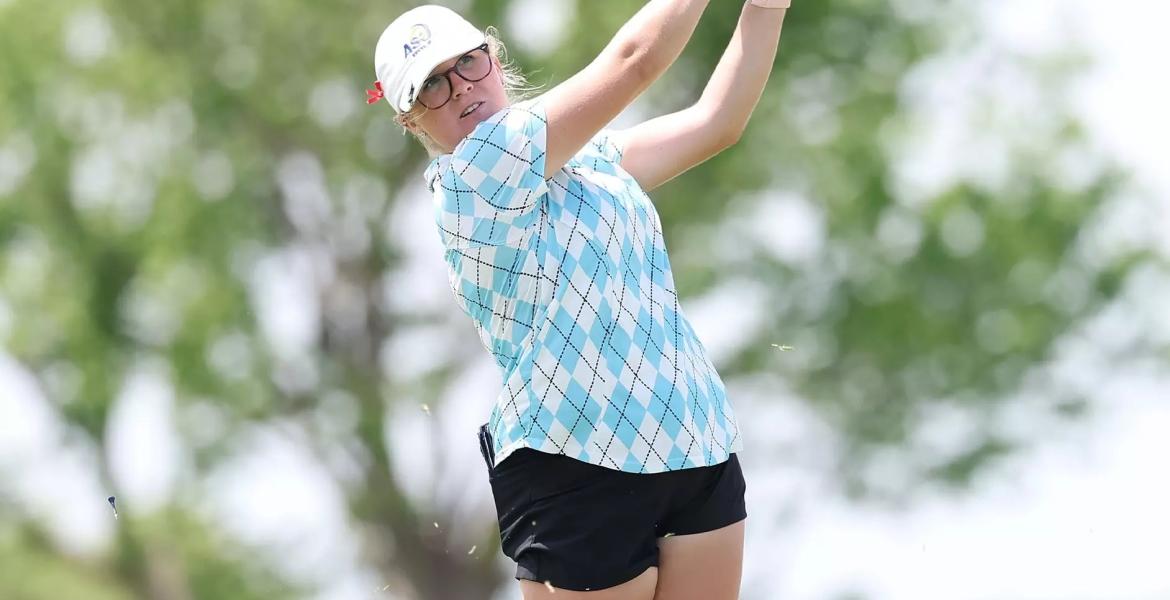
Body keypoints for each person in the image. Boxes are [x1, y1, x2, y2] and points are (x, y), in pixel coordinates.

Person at [369, 1, 791, 598]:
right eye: (432, 86)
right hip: (576, 460)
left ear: (493, 58)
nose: (460, 86)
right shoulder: (474, 177)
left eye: (468, 62)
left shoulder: (590, 159)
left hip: (691, 440)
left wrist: (767, 8)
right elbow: (635, 60)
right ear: (413, 123)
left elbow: (716, 122)